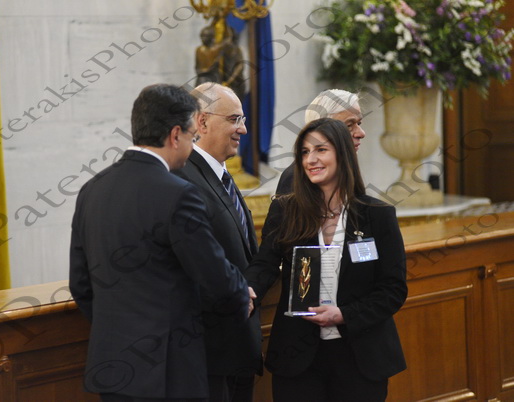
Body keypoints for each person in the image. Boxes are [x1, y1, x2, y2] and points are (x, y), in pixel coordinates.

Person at [69, 84, 252, 402]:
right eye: (192, 136)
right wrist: (241, 294)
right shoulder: (178, 194)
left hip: (114, 369)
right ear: (175, 135)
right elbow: (212, 271)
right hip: (170, 370)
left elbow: (81, 285)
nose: (192, 145)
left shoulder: (92, 189)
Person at [246, 118, 407, 401]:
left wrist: (344, 314)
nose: (311, 159)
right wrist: (247, 291)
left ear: (342, 154)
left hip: (360, 358)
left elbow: (392, 289)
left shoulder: (376, 215)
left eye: (321, 149)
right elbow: (265, 264)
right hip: (297, 357)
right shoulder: (286, 210)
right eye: (305, 152)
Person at [174, 82, 261, 402]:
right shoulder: (183, 179)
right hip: (209, 354)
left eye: (243, 119)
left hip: (238, 348)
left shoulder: (221, 176)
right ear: (202, 122)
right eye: (235, 119)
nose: (244, 129)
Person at [275, 89, 366, 195]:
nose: (361, 133)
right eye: (349, 126)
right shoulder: (296, 179)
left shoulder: (343, 168)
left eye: (359, 123)